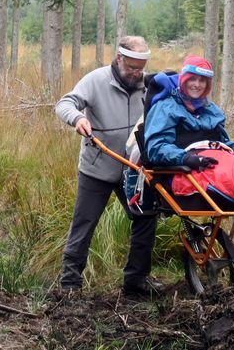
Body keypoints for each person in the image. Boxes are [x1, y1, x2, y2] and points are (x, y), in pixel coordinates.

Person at [55, 36, 161, 296]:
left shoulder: (148, 85)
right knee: (84, 223)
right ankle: (70, 285)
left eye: (141, 67)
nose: (137, 73)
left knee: (146, 217)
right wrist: (78, 118)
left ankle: (135, 282)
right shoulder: (96, 80)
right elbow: (65, 103)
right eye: (132, 67)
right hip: (97, 167)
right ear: (119, 59)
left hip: (134, 170)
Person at [144, 55, 234, 174]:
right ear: (183, 80)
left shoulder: (210, 109)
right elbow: (156, 148)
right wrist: (187, 158)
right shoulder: (166, 107)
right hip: (184, 172)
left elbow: (223, 144)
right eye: (192, 79)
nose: (197, 85)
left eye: (202, 80)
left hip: (216, 165)